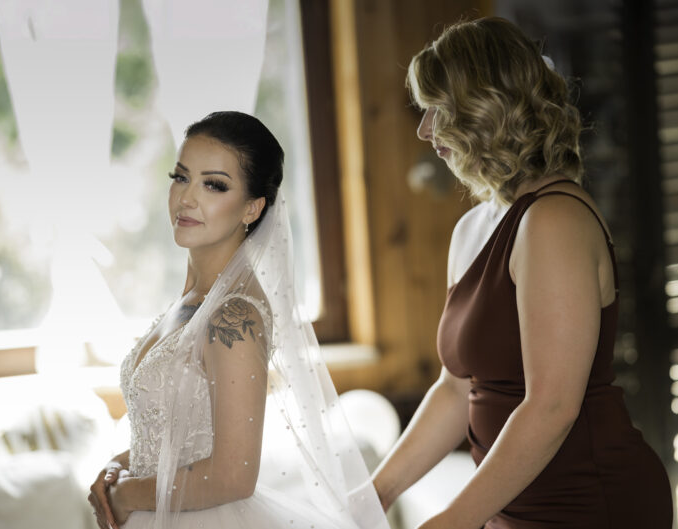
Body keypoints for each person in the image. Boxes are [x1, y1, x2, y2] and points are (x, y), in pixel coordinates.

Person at [372, 17, 673, 529]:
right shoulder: (471, 227)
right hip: (510, 502)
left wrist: (454, 519)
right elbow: (455, 390)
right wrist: (375, 493)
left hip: (588, 502)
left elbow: (552, 407)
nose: (424, 130)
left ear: (486, 107)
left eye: (437, 109)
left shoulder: (554, 220)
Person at [87, 111, 389, 529]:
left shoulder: (234, 316)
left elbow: (233, 476)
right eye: (181, 177)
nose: (187, 198)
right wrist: (117, 468)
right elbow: (171, 438)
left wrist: (126, 495)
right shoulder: (193, 300)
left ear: (252, 208)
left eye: (213, 184)